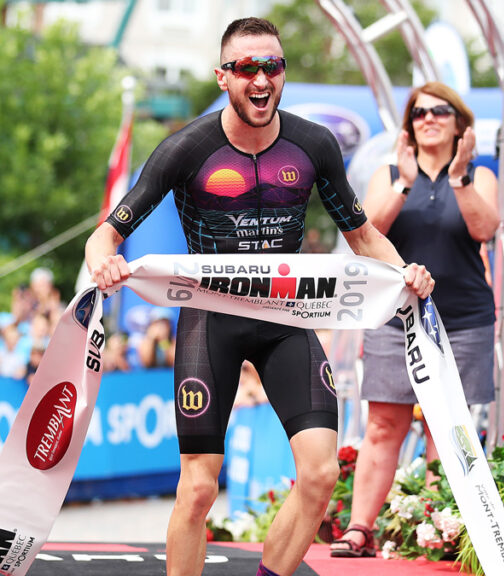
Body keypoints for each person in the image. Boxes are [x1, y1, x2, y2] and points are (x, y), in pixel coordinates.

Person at [85, 18, 434, 576]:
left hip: (284, 317)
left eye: (272, 65)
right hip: (210, 321)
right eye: (247, 67)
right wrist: (104, 260)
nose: (261, 79)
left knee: (320, 474)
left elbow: (364, 237)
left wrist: (406, 274)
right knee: (199, 487)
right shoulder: (187, 147)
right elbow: (107, 233)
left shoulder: (313, 144)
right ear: (223, 76)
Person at [330, 82, 498, 559]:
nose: (428, 119)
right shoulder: (388, 174)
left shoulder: (479, 174)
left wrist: (460, 178)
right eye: (419, 113)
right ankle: (360, 528)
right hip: (393, 319)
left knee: (447, 430)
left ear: (460, 124)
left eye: (440, 111)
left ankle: (437, 530)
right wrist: (404, 183)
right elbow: (365, 234)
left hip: (464, 320)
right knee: (384, 425)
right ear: (409, 126)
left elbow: (485, 228)